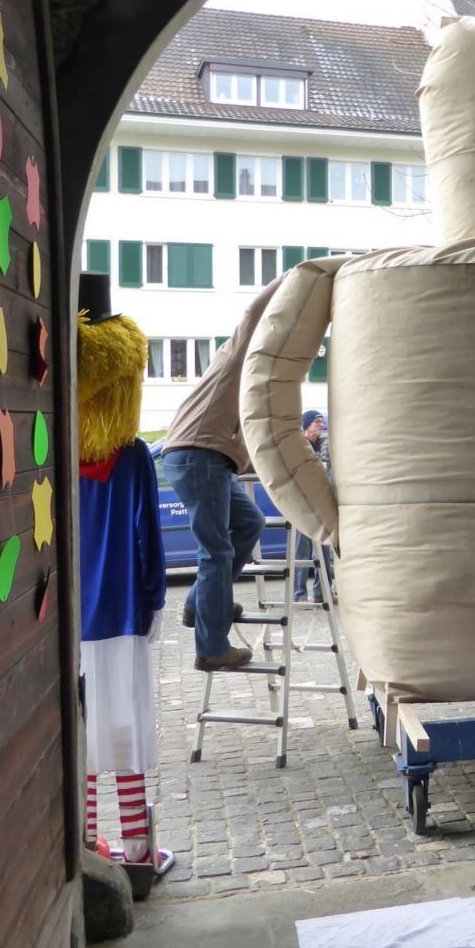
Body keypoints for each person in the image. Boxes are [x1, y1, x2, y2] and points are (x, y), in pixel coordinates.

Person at [74, 271, 169, 869]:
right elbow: (149, 540)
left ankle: (86, 842)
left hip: (71, 619)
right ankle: (136, 844)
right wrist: (154, 599)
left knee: (82, 728)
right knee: (126, 724)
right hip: (123, 611)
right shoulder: (133, 457)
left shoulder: (54, 451)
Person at [160, 277, 284, 671]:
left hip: (206, 457)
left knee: (251, 522)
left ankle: (201, 603)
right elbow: (253, 313)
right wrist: (296, 277)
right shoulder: (239, 355)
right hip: (200, 455)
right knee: (216, 550)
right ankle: (212, 647)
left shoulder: (258, 384)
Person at [292, 409, 335, 603]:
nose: (320, 425)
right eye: (316, 422)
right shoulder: (299, 447)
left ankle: (322, 593)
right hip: (302, 504)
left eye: (321, 422)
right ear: (306, 425)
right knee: (301, 550)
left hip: (321, 503)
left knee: (324, 548)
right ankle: (299, 594)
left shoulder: (323, 446)